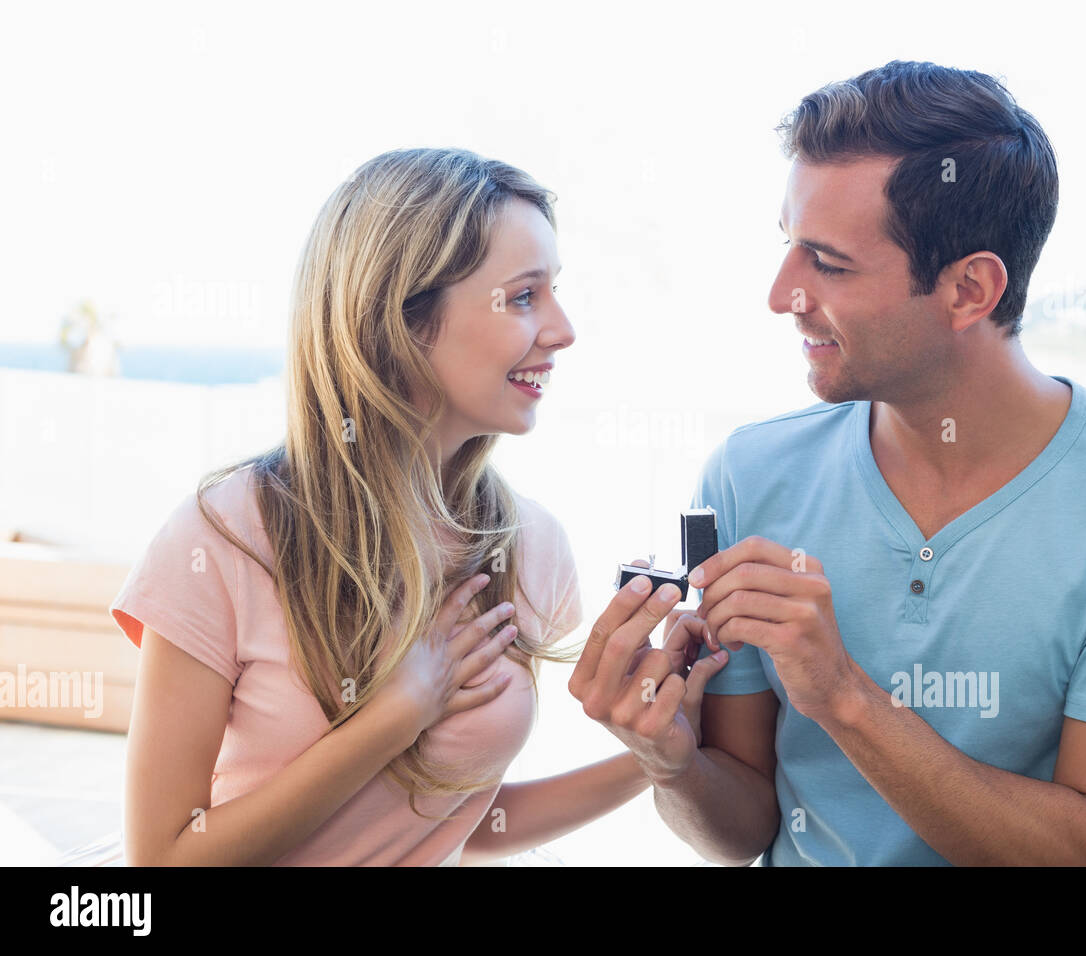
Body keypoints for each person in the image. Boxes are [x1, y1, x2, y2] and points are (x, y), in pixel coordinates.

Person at [570, 60, 1086, 866]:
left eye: (829, 263)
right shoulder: (751, 474)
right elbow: (741, 829)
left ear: (970, 290)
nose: (782, 294)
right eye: (789, 247)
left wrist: (844, 697)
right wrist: (669, 762)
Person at [111, 147, 724, 866]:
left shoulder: (529, 547)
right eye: (524, 296)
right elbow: (160, 860)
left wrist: (660, 751)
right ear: (402, 317)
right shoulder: (225, 537)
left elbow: (458, 820)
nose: (561, 330)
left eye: (554, 292)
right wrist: (392, 719)